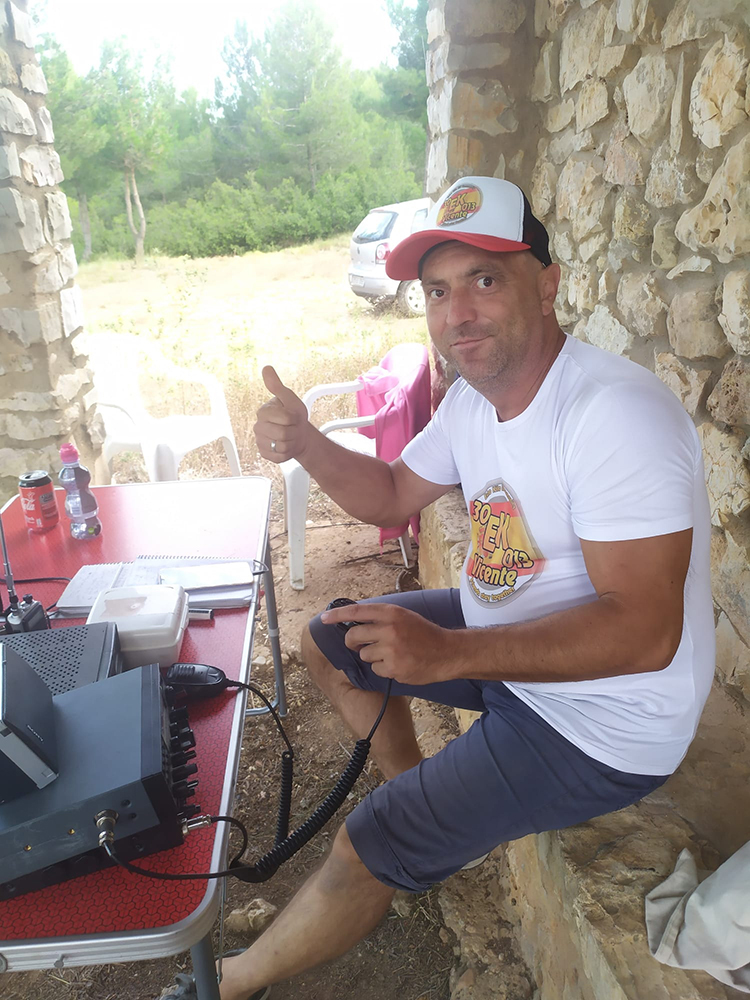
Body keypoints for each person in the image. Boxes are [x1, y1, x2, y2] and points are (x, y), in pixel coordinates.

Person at [200, 177, 715, 1000]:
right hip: (510, 654)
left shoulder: (613, 414)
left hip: (602, 725)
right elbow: (390, 494)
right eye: (437, 291)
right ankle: (419, 802)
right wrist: (306, 442)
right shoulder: (476, 402)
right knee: (330, 641)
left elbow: (645, 633)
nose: (458, 314)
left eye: (484, 279)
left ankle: (224, 984)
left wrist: (449, 654)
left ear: (546, 285)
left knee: (366, 842)